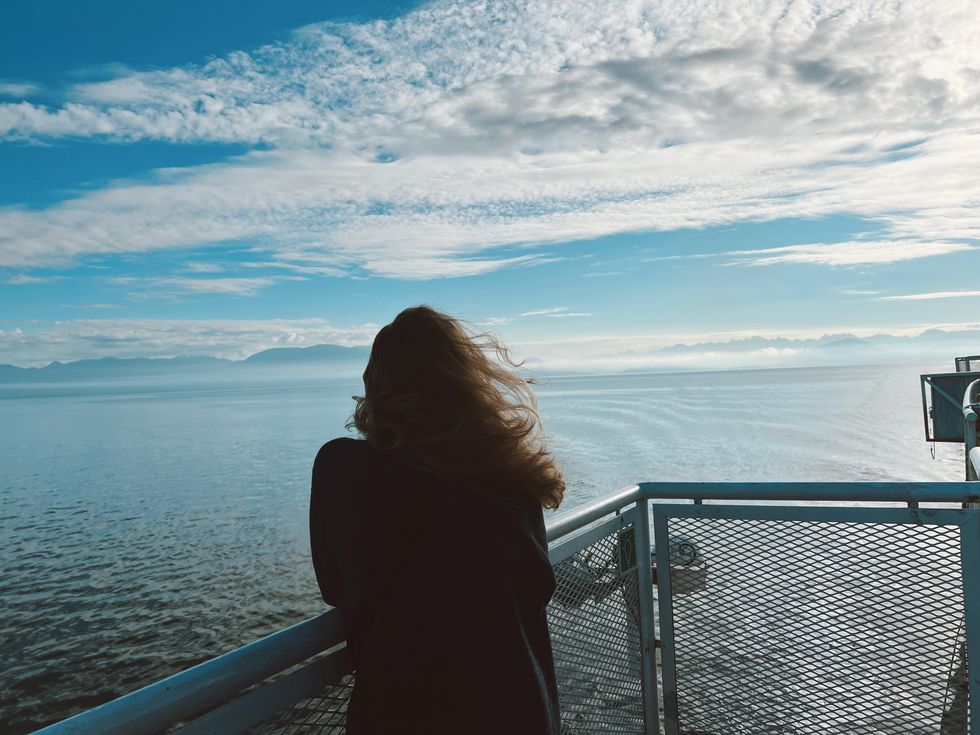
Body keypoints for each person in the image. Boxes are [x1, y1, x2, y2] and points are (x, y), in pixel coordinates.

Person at [310, 305, 565, 734]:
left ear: (378, 387)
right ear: (468, 383)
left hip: (404, 712)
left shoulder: (344, 467)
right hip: (520, 706)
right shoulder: (510, 476)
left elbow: (334, 586)